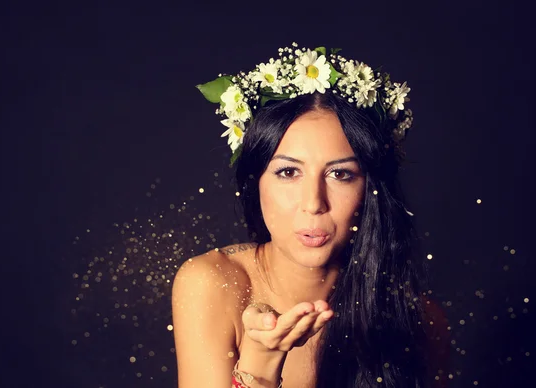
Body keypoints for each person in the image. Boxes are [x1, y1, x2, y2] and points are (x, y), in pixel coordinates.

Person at [172, 43, 449, 388]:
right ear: (255, 181)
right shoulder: (214, 284)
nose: (313, 202)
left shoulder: (420, 321)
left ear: (371, 189)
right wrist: (260, 362)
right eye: (288, 172)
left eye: (340, 174)